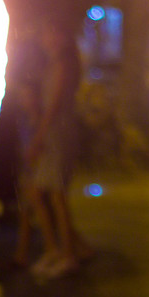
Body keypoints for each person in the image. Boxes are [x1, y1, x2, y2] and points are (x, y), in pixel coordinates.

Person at [14, 17, 92, 279]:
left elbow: (54, 105)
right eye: (44, 34)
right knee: (48, 194)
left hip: (57, 134)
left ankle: (65, 255)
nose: (45, 39)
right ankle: (63, 251)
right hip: (54, 132)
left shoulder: (64, 64)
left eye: (51, 33)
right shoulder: (55, 64)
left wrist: (38, 138)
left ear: (62, 37)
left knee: (53, 194)